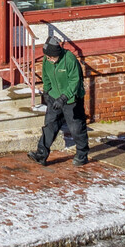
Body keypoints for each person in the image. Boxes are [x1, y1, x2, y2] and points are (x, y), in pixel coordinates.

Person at [28, 34, 89, 166]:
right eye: (47, 57)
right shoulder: (47, 60)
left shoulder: (70, 59)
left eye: (51, 57)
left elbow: (75, 81)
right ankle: (41, 154)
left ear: (58, 54)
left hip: (72, 99)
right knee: (49, 126)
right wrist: (47, 92)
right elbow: (46, 76)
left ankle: (82, 154)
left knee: (76, 128)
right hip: (54, 97)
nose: (49, 59)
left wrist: (64, 97)